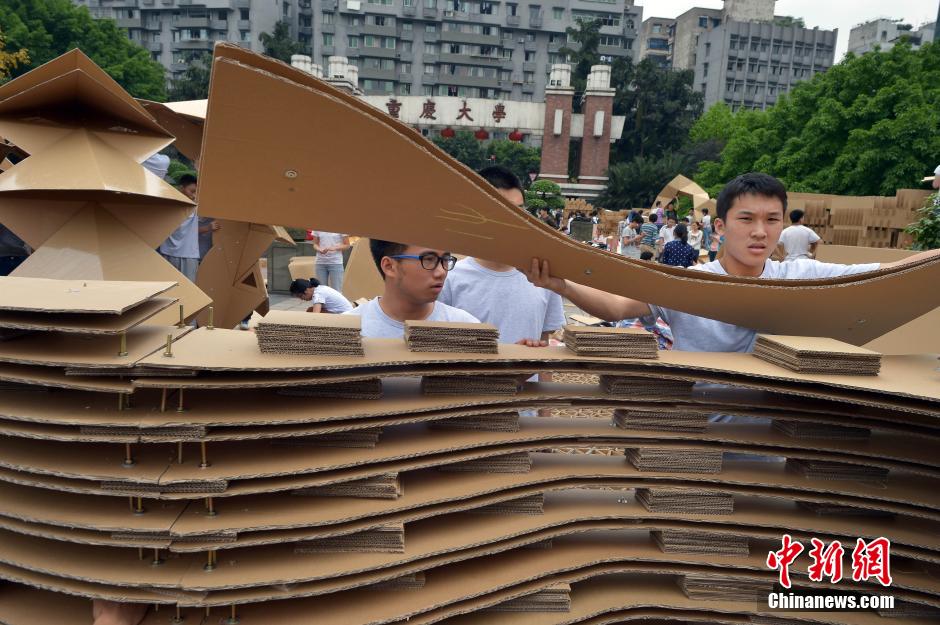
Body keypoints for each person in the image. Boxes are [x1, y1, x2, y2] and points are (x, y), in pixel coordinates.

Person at [524, 172, 940, 353]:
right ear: (720, 227)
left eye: (771, 220)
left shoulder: (801, 276)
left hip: (776, 437)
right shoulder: (689, 284)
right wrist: (563, 286)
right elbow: (617, 307)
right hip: (703, 432)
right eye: (747, 219)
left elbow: (887, 275)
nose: (760, 231)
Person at [439, 166, 564, 347]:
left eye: (520, 210)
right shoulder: (449, 279)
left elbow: (544, 351)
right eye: (502, 211)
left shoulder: (542, 277)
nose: (514, 220)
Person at [345, 239, 479, 338]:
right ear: (389, 266)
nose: (441, 272)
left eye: (445, 259)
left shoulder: (466, 329)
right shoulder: (346, 332)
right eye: (429, 259)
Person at [157, 173, 200, 284]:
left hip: (188, 255)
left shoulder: (197, 206)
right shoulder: (168, 205)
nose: (194, 195)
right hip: (167, 254)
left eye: (196, 192)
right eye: (192, 191)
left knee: (188, 291)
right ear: (181, 188)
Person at [290, 277, 354, 313]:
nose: (302, 299)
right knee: (310, 310)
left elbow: (315, 316)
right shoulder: (320, 288)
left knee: (311, 312)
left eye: (300, 296)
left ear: (306, 290)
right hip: (347, 312)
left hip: (346, 316)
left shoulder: (318, 294)